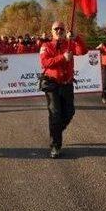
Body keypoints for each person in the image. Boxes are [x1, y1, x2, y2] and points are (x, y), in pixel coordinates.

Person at [39, 20, 87, 158]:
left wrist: (76, 37)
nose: (59, 31)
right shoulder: (46, 45)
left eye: (61, 29)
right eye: (56, 29)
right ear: (51, 31)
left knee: (70, 112)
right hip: (52, 85)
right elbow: (45, 63)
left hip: (67, 84)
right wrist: (62, 58)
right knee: (55, 115)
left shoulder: (70, 44)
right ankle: (55, 146)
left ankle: (56, 132)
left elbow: (83, 51)